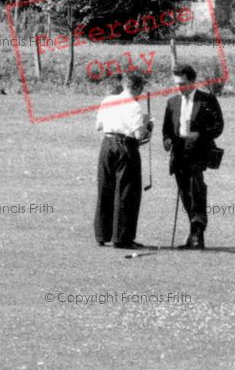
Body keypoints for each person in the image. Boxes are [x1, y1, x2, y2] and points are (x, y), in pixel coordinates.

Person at [162, 64, 224, 249]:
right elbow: (166, 130)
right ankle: (194, 234)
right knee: (185, 194)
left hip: (198, 152)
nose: (179, 87)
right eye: (177, 84)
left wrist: (200, 135)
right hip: (179, 153)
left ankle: (197, 234)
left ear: (192, 81)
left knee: (196, 191)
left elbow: (218, 126)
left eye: (182, 83)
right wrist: (166, 141)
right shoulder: (172, 102)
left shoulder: (207, 100)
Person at [94, 72, 152, 249]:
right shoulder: (134, 105)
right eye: (140, 89)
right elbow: (139, 135)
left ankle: (102, 234)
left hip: (106, 145)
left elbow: (99, 126)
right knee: (127, 192)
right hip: (125, 147)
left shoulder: (108, 100)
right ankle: (122, 237)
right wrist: (148, 127)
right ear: (136, 87)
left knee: (105, 188)